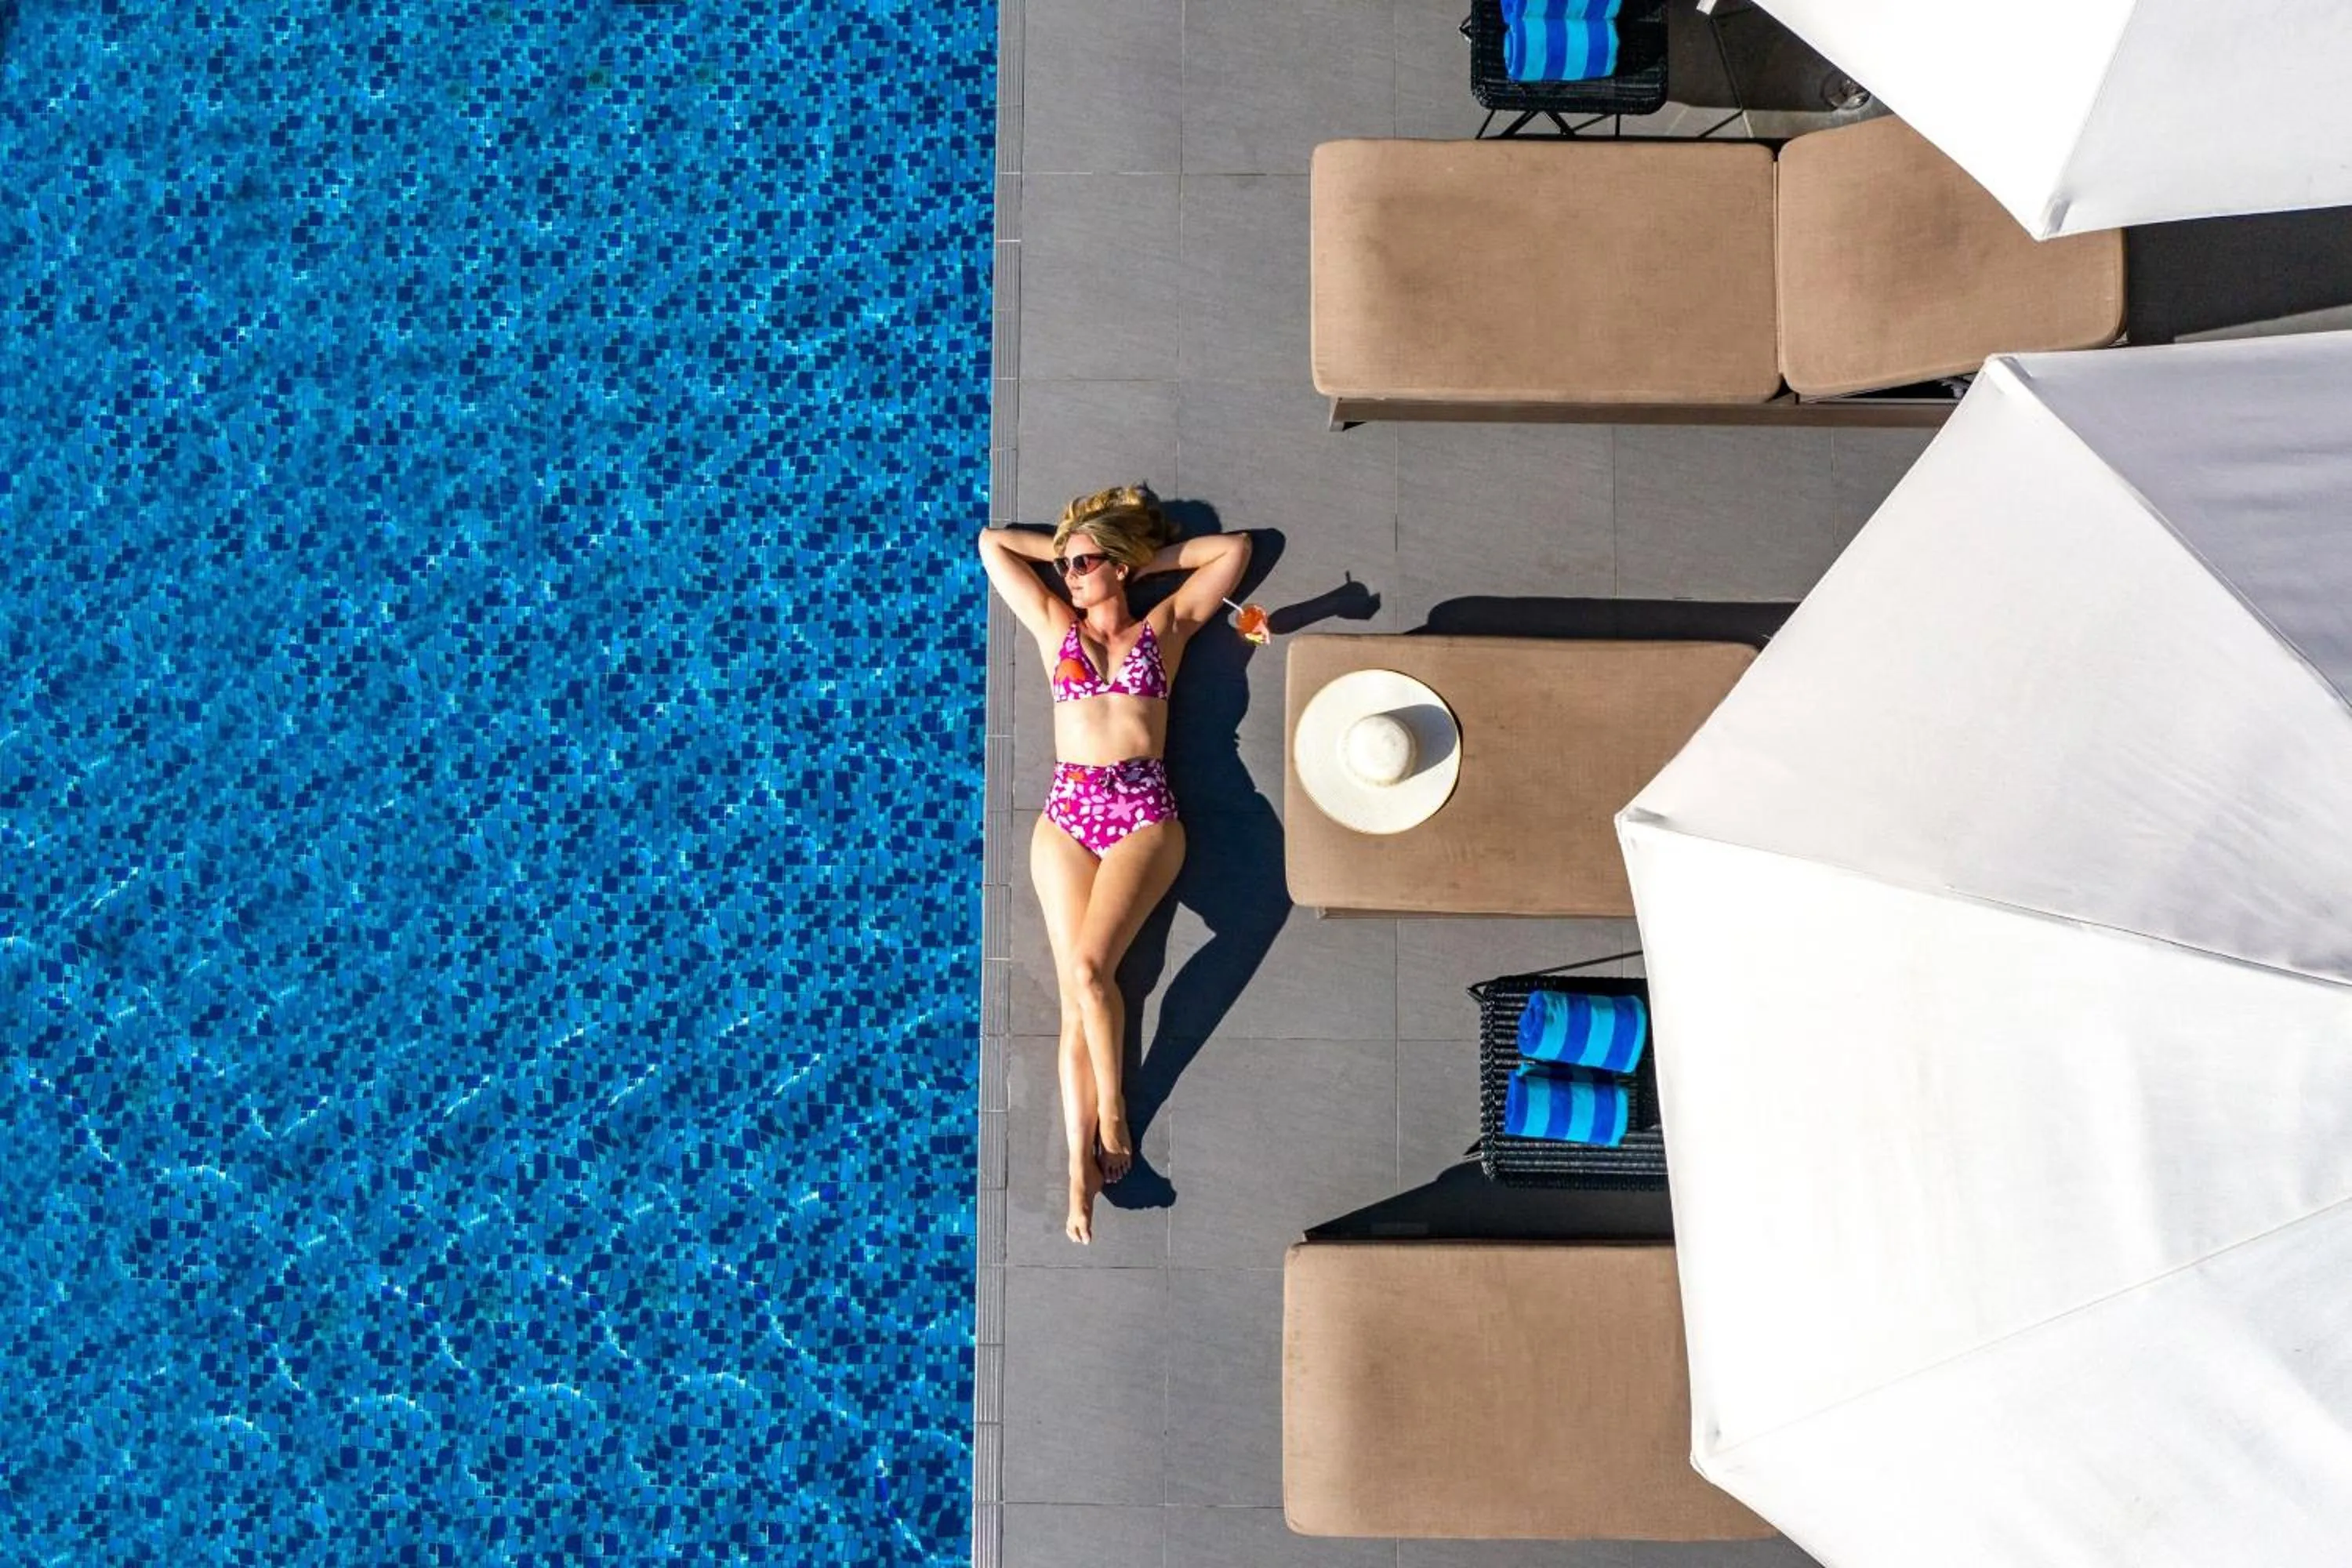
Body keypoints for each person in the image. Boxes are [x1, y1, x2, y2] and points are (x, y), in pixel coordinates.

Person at [977, 486, 1252, 1243]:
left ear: (1122, 567)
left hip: (1141, 815)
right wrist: (1071, 548)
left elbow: (1232, 551)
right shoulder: (1053, 626)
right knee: (1077, 997)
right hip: (1066, 817)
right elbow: (991, 544)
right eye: (1064, 564)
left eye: (1084, 562)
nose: (1068, 574)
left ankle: (1117, 1116)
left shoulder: (1164, 630)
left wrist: (1138, 560)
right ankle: (1078, 1171)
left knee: (1092, 974)